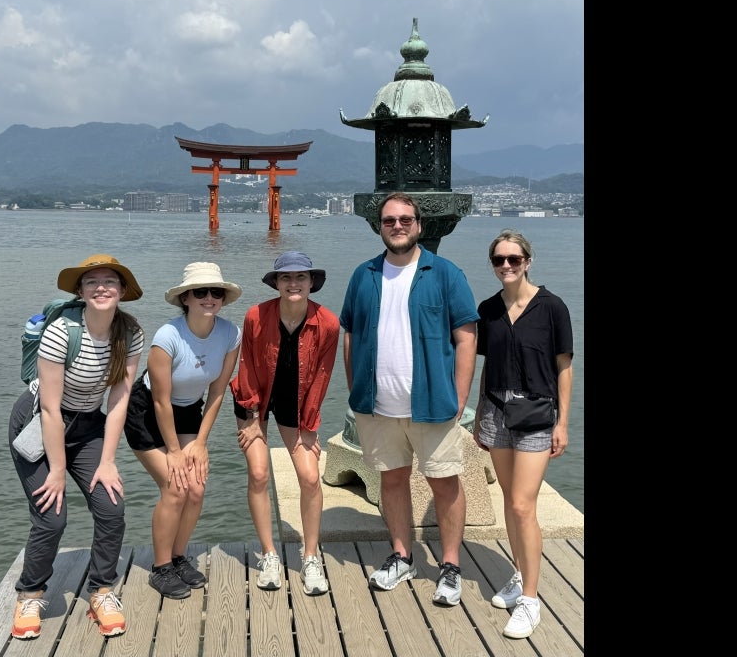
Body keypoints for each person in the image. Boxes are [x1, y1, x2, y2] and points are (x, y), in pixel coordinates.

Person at [338, 191, 479, 606]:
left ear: (418, 225)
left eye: (404, 220)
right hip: (377, 405)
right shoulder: (364, 275)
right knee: (392, 479)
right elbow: (351, 333)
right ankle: (402, 555)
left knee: (445, 482)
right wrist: (354, 387)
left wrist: (461, 393)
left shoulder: (445, 273)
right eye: (388, 221)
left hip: (433, 402)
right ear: (379, 227)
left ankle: (450, 564)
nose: (397, 226)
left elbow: (466, 335)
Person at [9, 254, 145, 640]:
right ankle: (30, 593)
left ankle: (101, 589)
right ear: (81, 292)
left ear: (122, 291)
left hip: (87, 426)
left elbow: (118, 400)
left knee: (111, 507)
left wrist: (107, 461)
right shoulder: (61, 332)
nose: (101, 288)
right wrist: (56, 470)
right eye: (92, 282)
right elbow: (50, 408)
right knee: (52, 515)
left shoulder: (130, 332)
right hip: (37, 423)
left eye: (109, 282)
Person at [472, 228, 573, 639]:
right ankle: (519, 572)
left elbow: (564, 367)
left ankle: (531, 599)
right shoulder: (488, 309)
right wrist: (479, 412)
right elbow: (485, 367)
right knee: (509, 501)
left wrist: (563, 422)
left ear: (528, 261)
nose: (507, 266)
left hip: (535, 413)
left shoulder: (553, 308)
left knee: (520, 504)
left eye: (514, 259)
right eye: (500, 260)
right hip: (495, 410)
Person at [123, 262, 243, 599]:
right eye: (200, 292)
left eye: (215, 292)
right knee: (175, 488)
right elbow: (161, 402)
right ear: (185, 298)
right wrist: (175, 452)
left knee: (196, 488)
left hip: (190, 412)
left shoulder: (230, 334)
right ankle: (160, 569)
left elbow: (218, 392)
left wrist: (201, 443)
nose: (209, 298)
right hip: (147, 413)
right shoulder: (168, 337)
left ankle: (177, 557)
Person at [229, 251, 340, 595]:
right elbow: (245, 364)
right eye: (286, 278)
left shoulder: (328, 324)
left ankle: (310, 557)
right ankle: (269, 554)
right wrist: (249, 417)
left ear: (312, 283)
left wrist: (310, 425)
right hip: (255, 400)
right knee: (259, 473)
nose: (294, 283)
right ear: (276, 283)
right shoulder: (256, 316)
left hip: (298, 402)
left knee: (309, 477)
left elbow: (322, 376)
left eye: (301, 277)